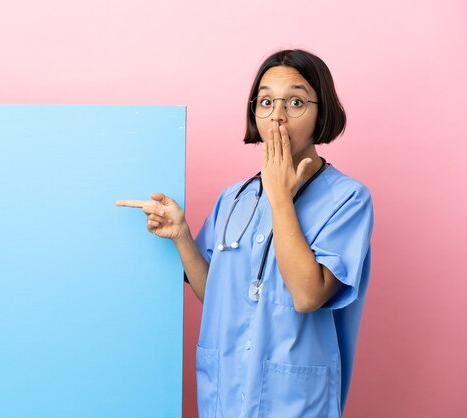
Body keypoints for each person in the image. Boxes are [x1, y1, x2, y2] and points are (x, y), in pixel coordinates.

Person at [116, 49, 373, 418]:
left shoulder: (348, 198)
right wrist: (182, 236)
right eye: (266, 101)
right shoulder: (234, 197)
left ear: (322, 112)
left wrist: (280, 196)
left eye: (296, 101)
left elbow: (307, 295)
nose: (277, 116)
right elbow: (220, 297)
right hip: (227, 390)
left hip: (295, 398)